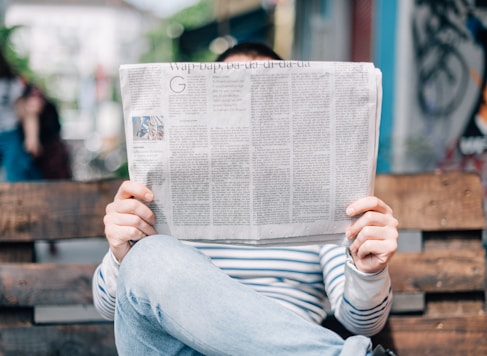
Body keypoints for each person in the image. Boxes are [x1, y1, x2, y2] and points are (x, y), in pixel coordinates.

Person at [93, 42, 399, 355]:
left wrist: (368, 271)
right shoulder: (161, 193)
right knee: (149, 257)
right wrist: (121, 254)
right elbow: (110, 307)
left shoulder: (323, 198)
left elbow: (362, 322)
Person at [0, 48, 42, 181]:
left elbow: (26, 113)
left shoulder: (10, 83)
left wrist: (32, 138)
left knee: (14, 172)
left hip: (9, 134)